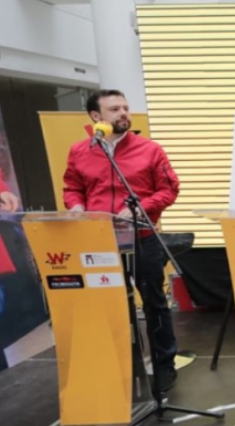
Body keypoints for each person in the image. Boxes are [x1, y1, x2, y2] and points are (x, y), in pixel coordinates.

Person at [63, 90, 181, 391]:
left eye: (125, 108)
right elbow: (72, 187)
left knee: (154, 303)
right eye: (114, 109)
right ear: (96, 116)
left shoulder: (149, 150)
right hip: (99, 241)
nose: (123, 113)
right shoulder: (79, 151)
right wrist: (76, 206)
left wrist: (141, 207)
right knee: (107, 306)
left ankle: (164, 364)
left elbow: (169, 189)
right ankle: (117, 365)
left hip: (142, 239)